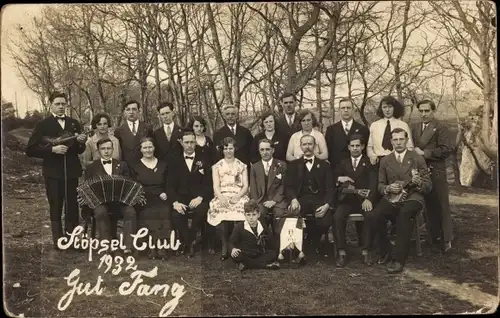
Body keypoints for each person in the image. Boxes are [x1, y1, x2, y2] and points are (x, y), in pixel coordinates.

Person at [26, 92, 87, 251]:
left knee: (72, 206)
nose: (61, 106)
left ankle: (72, 240)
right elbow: (30, 149)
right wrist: (53, 150)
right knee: (56, 206)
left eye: (63, 104)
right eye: (57, 104)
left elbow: (79, 150)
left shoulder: (74, 123)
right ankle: (59, 241)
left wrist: (81, 142)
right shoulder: (43, 125)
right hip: (53, 174)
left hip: (72, 172)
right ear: (51, 105)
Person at [369, 128, 431, 274]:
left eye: (401, 139)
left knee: (404, 214)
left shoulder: (417, 158)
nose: (398, 142)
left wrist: (419, 183)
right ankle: (386, 250)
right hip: (393, 197)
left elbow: (428, 186)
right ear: (391, 142)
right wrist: (388, 188)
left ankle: (398, 259)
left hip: (413, 197)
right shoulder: (385, 160)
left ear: (407, 140)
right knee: (376, 215)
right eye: (395, 140)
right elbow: (380, 185)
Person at [411, 99, 453, 253]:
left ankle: (446, 239)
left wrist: (425, 153)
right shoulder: (414, 127)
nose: (423, 114)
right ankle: (432, 236)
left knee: (442, 204)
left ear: (433, 111)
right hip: (421, 171)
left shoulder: (441, 127)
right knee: (428, 205)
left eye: (426, 111)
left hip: (436, 170)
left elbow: (446, 149)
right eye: (421, 111)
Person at [285, 135, 335, 261]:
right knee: (293, 216)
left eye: (310, 144)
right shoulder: (293, 165)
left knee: (324, 220)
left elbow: (330, 188)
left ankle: (315, 241)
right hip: (300, 199)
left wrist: (327, 205)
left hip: (319, 200)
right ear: (300, 147)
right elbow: (288, 186)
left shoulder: (324, 165)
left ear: (315, 146)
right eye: (304, 144)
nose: (307, 147)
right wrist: (293, 199)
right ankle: (296, 247)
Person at [332, 134, 378, 267]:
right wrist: (339, 179)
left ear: (363, 146)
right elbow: (333, 177)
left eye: (358, 146)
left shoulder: (369, 162)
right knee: (337, 216)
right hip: (347, 200)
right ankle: (341, 251)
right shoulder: (343, 163)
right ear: (348, 147)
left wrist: (369, 199)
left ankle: (366, 250)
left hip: (363, 200)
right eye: (352, 146)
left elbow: (373, 183)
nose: (355, 148)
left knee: (370, 215)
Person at [84, 138, 136, 254]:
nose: (106, 151)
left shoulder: (122, 165)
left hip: (120, 202)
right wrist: (95, 199)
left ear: (113, 149)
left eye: (108, 148)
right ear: (98, 151)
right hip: (100, 203)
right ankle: (106, 246)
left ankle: (128, 247)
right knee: (101, 212)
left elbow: (129, 184)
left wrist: (124, 195)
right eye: (103, 149)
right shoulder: (91, 168)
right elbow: (87, 188)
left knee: (130, 211)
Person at [167, 131, 213, 258]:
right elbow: (169, 185)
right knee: (176, 214)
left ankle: (190, 241)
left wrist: (200, 197)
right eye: (186, 142)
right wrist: (175, 202)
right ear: (181, 143)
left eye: (192, 142)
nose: (189, 145)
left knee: (202, 210)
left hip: (198, 197)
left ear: (196, 142)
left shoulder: (204, 159)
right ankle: (188, 241)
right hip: (181, 197)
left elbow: (209, 183)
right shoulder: (174, 160)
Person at [208, 137, 250, 260]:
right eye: (225, 148)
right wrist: (220, 197)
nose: (228, 151)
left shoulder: (242, 165)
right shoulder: (217, 166)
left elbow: (246, 185)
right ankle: (225, 244)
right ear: (222, 150)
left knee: (242, 207)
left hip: (238, 194)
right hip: (222, 194)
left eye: (230, 148)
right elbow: (215, 186)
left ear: (235, 149)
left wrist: (237, 196)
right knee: (219, 208)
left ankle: (237, 244)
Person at [131, 137, 171, 260]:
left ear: (154, 148)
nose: (148, 150)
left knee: (164, 210)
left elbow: (169, 184)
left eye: (150, 147)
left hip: (162, 198)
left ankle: (161, 246)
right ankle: (151, 246)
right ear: (141, 150)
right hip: (144, 198)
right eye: (145, 147)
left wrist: (164, 193)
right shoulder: (135, 166)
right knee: (148, 211)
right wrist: (156, 193)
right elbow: (136, 186)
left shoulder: (163, 165)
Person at [249, 139, 288, 232]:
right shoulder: (255, 167)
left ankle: (278, 240)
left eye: (267, 149)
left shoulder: (281, 165)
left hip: (277, 199)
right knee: (258, 214)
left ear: (273, 150)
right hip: (261, 199)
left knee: (280, 214)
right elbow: (253, 188)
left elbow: (284, 185)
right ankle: (263, 238)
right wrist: (255, 203)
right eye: (262, 150)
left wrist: (274, 200)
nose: (265, 152)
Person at [229, 200, 280, 271]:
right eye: (248, 215)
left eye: (254, 214)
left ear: (258, 214)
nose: (251, 218)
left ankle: (247, 264)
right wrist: (233, 249)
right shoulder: (239, 226)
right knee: (237, 255)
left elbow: (271, 241)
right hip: (246, 253)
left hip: (259, 254)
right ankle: (265, 265)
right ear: (245, 215)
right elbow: (231, 242)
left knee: (273, 253)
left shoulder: (263, 225)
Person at [367, 96, 414, 166]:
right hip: (379, 161)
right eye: (384, 107)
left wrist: (402, 159)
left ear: (395, 108)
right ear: (381, 109)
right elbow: (369, 147)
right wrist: (372, 155)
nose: (387, 110)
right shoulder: (374, 125)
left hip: (398, 161)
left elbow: (410, 147)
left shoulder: (403, 125)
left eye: (390, 107)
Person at [325, 98, 369, 170]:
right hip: (337, 171)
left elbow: (365, 152)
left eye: (348, 108)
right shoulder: (331, 130)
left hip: (358, 171)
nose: (346, 110)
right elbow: (329, 152)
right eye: (343, 108)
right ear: (339, 110)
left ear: (353, 110)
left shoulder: (363, 129)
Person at [113, 100, 154, 167]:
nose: (131, 112)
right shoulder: (118, 131)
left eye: (134, 109)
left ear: (139, 111)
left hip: (145, 167)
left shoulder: (147, 128)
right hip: (127, 169)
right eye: (128, 110)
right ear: (124, 112)